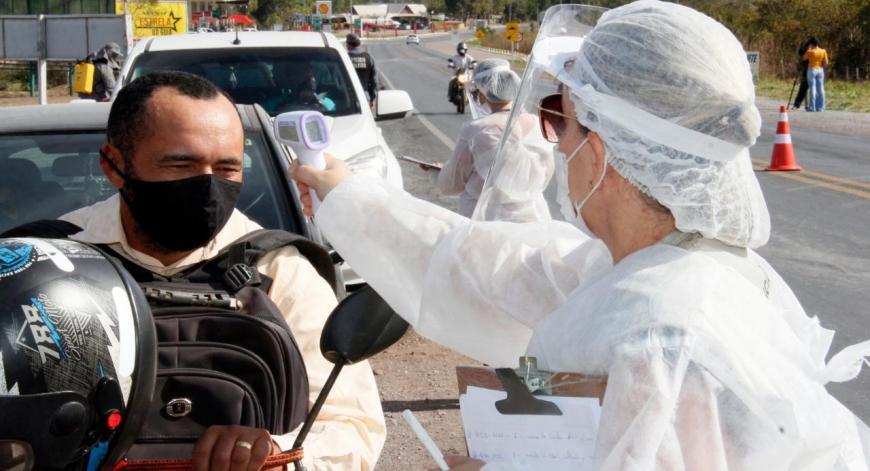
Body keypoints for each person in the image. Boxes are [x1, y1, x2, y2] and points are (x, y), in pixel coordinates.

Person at [291, 2, 870, 468]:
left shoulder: (657, 334)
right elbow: (481, 263)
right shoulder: (654, 270)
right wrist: (351, 196)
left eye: (556, 119)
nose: (557, 147)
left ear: (602, 147)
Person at [60, 71, 385, 470]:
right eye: (181, 164)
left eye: (228, 168)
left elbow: (353, 426)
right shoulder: (53, 260)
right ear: (113, 166)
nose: (208, 186)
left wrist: (272, 454)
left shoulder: (279, 268)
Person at [424, 59, 548, 218]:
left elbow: (451, 184)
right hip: (534, 220)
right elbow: (544, 174)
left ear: (481, 94)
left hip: (485, 224)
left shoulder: (475, 130)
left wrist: (436, 172)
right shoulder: (537, 125)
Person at [346, 33, 379, 107]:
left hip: (347, 99)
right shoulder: (369, 57)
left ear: (349, 45)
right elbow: (374, 80)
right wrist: (373, 98)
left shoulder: (345, 58)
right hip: (365, 97)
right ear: (359, 44)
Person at [803, 36, 829, 112]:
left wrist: (808, 49)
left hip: (812, 69)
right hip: (820, 69)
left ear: (811, 43)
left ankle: (812, 107)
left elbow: (804, 58)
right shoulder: (823, 51)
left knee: (812, 88)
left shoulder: (810, 51)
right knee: (821, 88)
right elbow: (826, 62)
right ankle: (821, 107)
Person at [792, 38, 812, 110]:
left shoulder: (815, 51)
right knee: (803, 88)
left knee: (811, 90)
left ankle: (810, 105)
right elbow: (800, 53)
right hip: (806, 71)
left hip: (812, 71)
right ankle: (797, 105)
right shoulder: (805, 51)